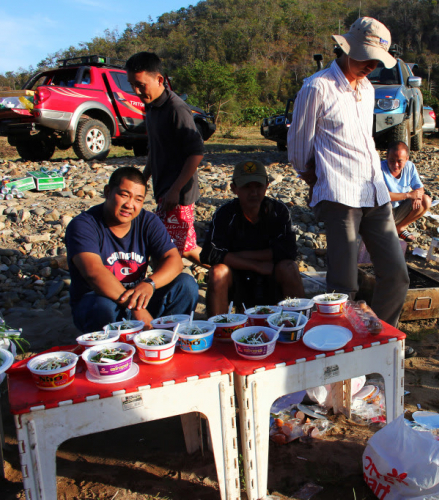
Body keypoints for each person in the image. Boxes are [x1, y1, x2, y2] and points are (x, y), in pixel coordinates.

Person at [287, 17, 409, 328]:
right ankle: (342, 346)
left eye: (377, 60)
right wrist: (318, 180)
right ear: (347, 48)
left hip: (375, 192)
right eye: (367, 57)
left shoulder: (367, 89)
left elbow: (364, 140)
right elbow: (299, 148)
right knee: (343, 284)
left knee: (396, 274)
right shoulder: (317, 86)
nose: (371, 65)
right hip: (340, 196)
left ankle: (380, 336)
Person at [66, 167, 199, 333]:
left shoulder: (147, 221)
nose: (129, 205)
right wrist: (136, 308)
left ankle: (168, 340)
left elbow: (174, 260)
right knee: (101, 305)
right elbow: (94, 272)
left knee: (186, 285)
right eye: (124, 195)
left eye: (138, 199)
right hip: (101, 300)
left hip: (137, 297)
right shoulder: (84, 225)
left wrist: (150, 284)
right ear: (107, 192)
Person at [125, 52, 207, 266]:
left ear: (159, 79)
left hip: (178, 195)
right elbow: (155, 148)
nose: (136, 91)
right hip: (164, 190)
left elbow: (196, 152)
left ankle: (228, 275)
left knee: (176, 251)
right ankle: (228, 274)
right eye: (132, 84)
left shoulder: (176, 108)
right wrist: (142, 180)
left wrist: (175, 189)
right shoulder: (151, 108)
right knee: (182, 248)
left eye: (141, 85)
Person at [201, 160, 304, 316]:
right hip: (237, 278)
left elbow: (289, 251)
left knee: (289, 268)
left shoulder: (279, 211)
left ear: (267, 186)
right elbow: (209, 253)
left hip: (271, 275)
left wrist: (239, 255)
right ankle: (219, 332)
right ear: (234, 188)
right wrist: (256, 265)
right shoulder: (224, 214)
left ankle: (299, 325)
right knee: (217, 272)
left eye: (258, 186)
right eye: (247, 187)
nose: (254, 192)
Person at [380, 141, 432, 242]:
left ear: (406, 159)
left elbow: (420, 187)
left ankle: (399, 228)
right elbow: (382, 195)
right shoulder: (379, 168)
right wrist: (409, 195)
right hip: (383, 211)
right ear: (386, 157)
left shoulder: (410, 167)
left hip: (399, 208)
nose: (395, 165)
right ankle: (388, 231)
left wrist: (417, 196)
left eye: (399, 161)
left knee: (425, 200)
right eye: (391, 160)